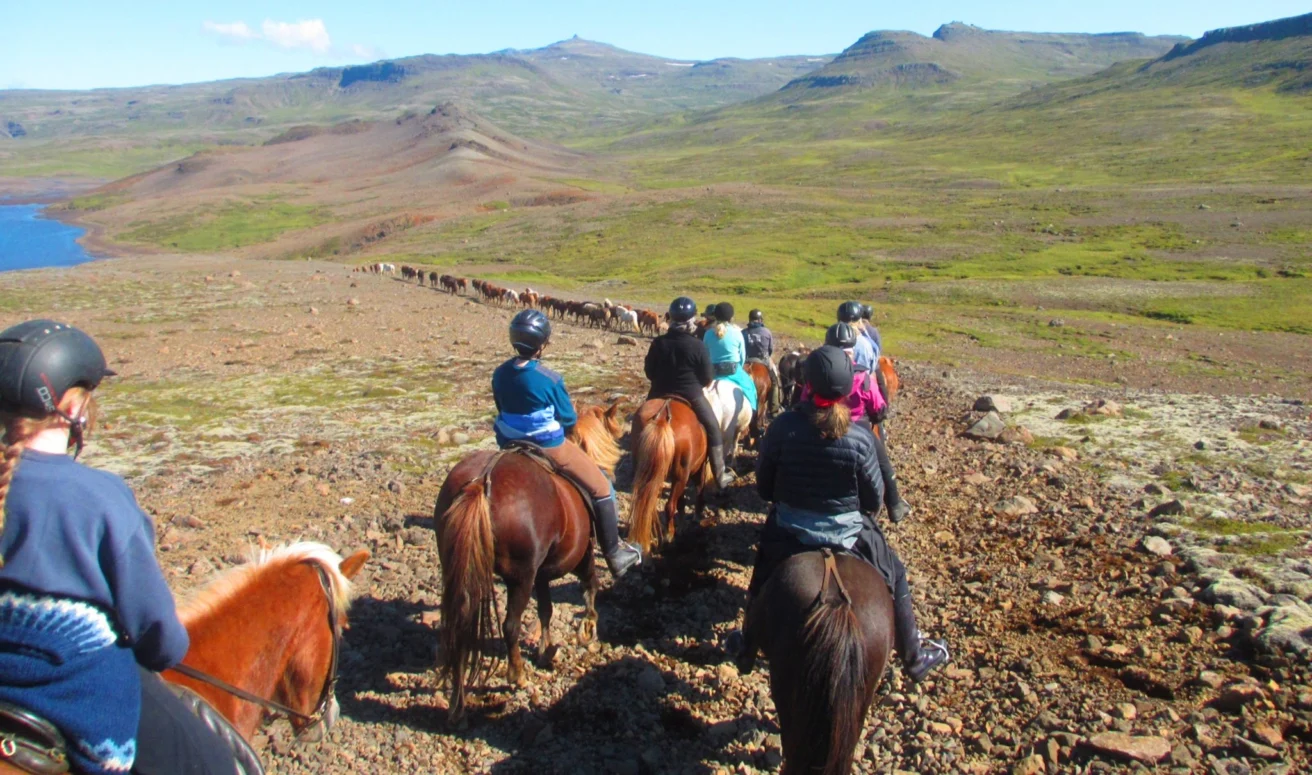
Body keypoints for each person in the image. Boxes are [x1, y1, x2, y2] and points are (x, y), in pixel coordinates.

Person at [0, 319, 243, 775]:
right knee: (212, 764)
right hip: (79, 697)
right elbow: (157, 634)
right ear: (72, 407)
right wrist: (162, 652)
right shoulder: (101, 497)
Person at [734, 346, 948, 682]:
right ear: (848, 388)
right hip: (849, 531)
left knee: (762, 575)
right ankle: (914, 655)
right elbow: (874, 501)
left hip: (791, 527)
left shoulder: (782, 427)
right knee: (896, 574)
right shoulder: (862, 437)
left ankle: (746, 647)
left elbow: (764, 489)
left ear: (808, 384)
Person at [493, 310, 642, 577]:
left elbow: (500, 406)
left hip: (508, 443)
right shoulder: (549, 378)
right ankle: (614, 554)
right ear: (542, 343)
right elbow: (568, 418)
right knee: (601, 486)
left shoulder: (500, 373)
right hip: (548, 445)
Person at [810, 323, 912, 524]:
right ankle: (894, 505)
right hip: (858, 426)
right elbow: (879, 409)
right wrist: (876, 417)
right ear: (852, 348)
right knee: (884, 465)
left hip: (818, 423)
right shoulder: (862, 376)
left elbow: (804, 399)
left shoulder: (816, 371)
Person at [645, 297, 734, 489]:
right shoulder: (697, 345)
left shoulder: (658, 343)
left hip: (658, 392)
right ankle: (719, 474)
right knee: (713, 429)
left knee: (641, 421)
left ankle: (639, 467)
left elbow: (649, 372)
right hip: (691, 394)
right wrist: (694, 385)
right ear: (692, 319)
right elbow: (708, 377)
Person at [702, 302, 758, 417]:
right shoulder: (737, 333)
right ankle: (754, 419)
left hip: (713, 373)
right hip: (734, 371)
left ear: (715, 316)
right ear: (731, 317)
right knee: (751, 389)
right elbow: (742, 357)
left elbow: (705, 355)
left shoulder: (708, 334)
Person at [742, 309, 781, 415]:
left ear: (750, 319)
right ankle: (774, 409)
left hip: (746, 360)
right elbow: (770, 349)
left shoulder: (743, 332)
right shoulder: (766, 332)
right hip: (763, 359)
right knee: (774, 381)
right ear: (760, 320)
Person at [838, 301, 877, 373]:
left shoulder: (831, 339)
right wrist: (864, 332)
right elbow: (873, 361)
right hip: (861, 381)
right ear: (859, 320)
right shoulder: (865, 344)